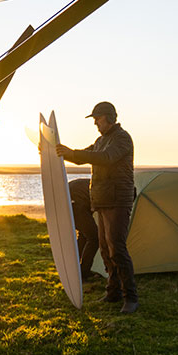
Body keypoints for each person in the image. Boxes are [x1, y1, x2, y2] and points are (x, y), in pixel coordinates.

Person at [56, 101, 137, 313]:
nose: (95, 123)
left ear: (109, 118)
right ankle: (113, 292)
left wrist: (72, 153)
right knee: (105, 249)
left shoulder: (122, 138)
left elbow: (106, 158)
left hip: (118, 200)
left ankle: (131, 297)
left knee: (117, 248)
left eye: (97, 119)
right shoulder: (101, 140)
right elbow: (84, 156)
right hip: (101, 200)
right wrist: (59, 152)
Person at [67, 177, 98, 283]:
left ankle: (73, 268)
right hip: (76, 202)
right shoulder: (112, 192)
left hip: (71, 199)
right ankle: (83, 273)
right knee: (94, 238)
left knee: (84, 235)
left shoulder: (107, 185)